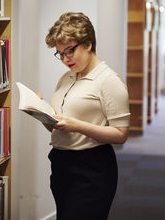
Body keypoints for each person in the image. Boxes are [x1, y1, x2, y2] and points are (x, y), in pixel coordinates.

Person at [44, 12, 130, 220]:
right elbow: (61, 125)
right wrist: (43, 114)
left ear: (88, 44)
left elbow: (121, 134)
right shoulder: (67, 77)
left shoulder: (109, 80)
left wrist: (76, 125)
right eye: (60, 54)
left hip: (92, 168)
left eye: (70, 51)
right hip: (61, 163)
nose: (65, 59)